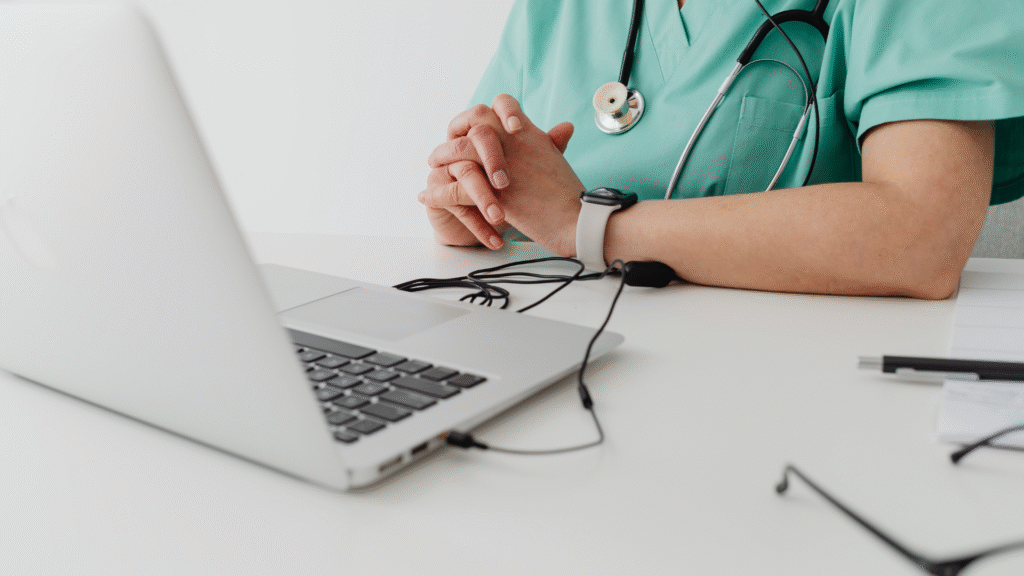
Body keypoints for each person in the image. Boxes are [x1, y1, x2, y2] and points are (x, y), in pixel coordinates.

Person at [418, 0, 1024, 299]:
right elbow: (512, 177)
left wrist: (586, 224)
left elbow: (921, 236)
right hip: (562, 380)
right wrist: (475, 206)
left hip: (798, 406)